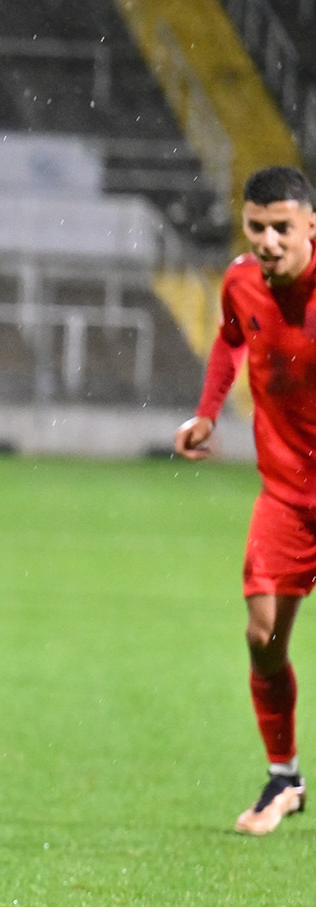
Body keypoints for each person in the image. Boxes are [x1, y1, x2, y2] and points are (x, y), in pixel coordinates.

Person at [176, 166, 316, 836]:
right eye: (256, 226)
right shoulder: (239, 279)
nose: (267, 240)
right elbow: (233, 334)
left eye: (281, 228)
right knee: (262, 635)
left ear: (310, 225)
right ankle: (285, 778)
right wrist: (207, 413)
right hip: (287, 496)